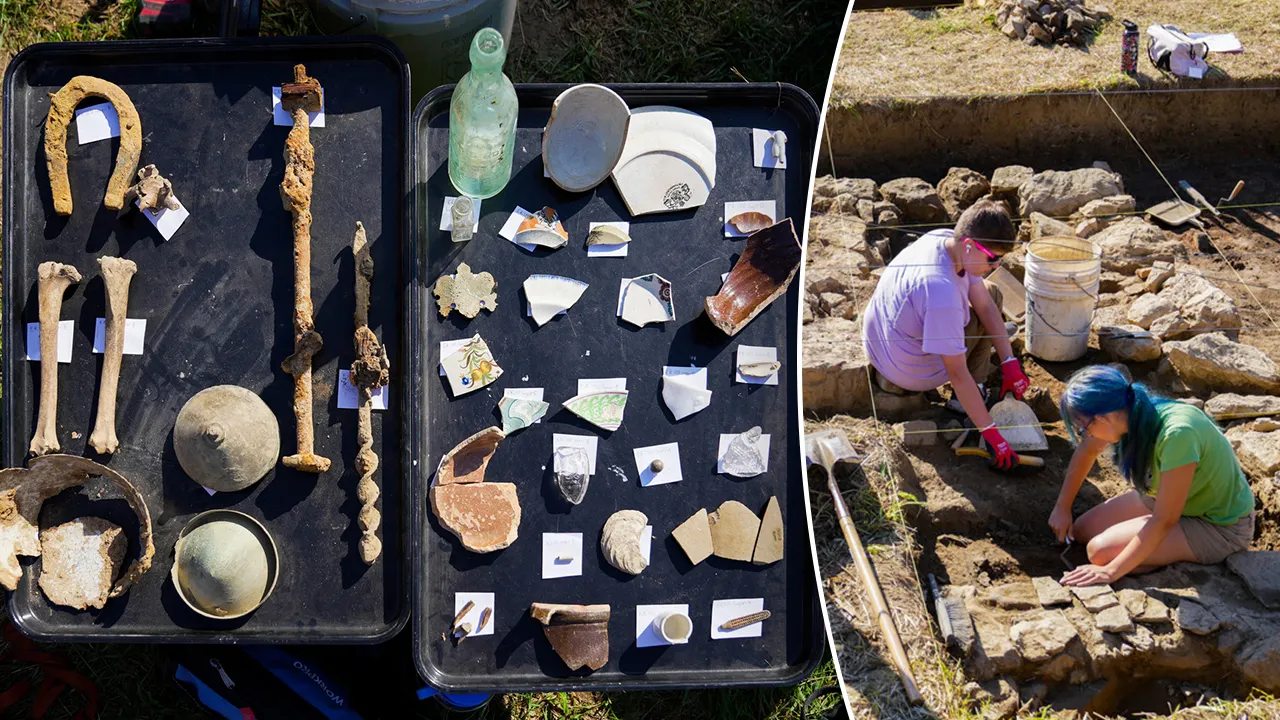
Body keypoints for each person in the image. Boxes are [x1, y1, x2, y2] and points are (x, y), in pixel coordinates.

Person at [861, 199, 1030, 469]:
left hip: (880, 338)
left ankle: (981, 367)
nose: (996, 265)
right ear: (969, 245)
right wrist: (992, 435)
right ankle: (971, 397)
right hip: (908, 370)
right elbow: (957, 374)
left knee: (989, 292)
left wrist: (1009, 362)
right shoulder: (942, 294)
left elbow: (984, 305)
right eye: (992, 258)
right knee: (982, 311)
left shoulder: (942, 239)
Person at [1053, 365, 1256, 586]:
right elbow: (1088, 450)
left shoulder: (1177, 435)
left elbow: (1165, 519)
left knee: (1099, 552)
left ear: (1103, 418)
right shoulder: (1126, 413)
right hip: (1172, 498)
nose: (1086, 434)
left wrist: (1110, 571)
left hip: (1218, 525)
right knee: (1082, 530)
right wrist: (1062, 507)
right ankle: (1154, 550)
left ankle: (1168, 557)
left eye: (1083, 427)